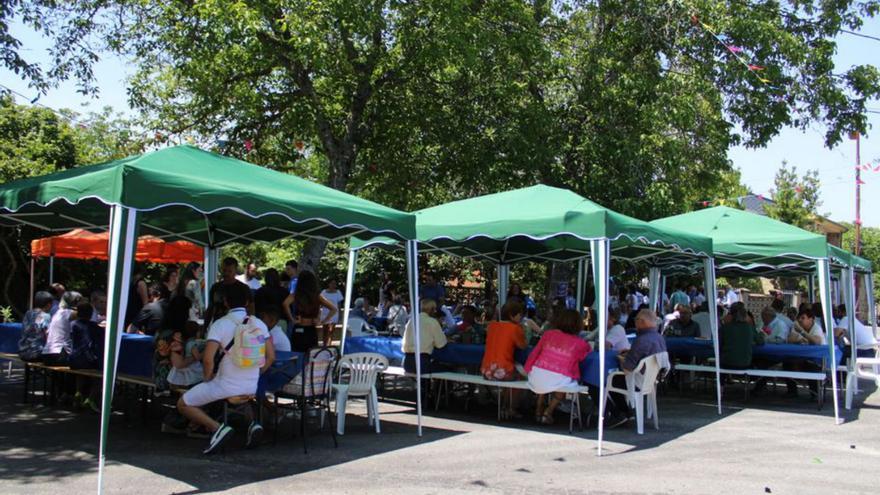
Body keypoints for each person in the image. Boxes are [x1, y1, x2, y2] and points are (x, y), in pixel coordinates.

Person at [177, 282, 275, 454]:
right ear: (246, 302)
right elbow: (271, 356)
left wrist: (208, 377)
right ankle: (252, 425)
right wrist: (257, 374)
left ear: (226, 302)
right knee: (239, 396)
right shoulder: (259, 323)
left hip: (226, 386)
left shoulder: (220, 324)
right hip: (252, 385)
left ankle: (217, 428)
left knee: (184, 403)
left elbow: (208, 360)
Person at [593, 309, 667, 429]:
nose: (634, 322)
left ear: (641, 322)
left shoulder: (641, 340)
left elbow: (627, 369)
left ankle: (618, 414)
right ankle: (626, 412)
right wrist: (630, 353)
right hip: (650, 379)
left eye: (636, 320)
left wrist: (621, 358)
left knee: (603, 379)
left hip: (637, 381)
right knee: (614, 379)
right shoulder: (659, 337)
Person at [526, 309, 591, 424]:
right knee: (564, 381)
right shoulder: (579, 343)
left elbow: (534, 354)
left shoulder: (548, 334)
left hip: (537, 375)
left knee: (546, 378)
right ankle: (548, 412)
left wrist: (527, 369)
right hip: (558, 377)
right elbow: (585, 355)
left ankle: (538, 408)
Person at [481, 300, 528, 419]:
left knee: (512, 375)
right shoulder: (515, 328)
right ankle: (510, 408)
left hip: (486, 371)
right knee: (521, 376)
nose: (521, 317)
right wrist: (523, 330)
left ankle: (504, 406)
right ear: (512, 315)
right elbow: (522, 345)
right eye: (520, 315)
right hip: (503, 371)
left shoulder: (492, 326)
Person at [288, 270, 337, 352]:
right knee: (311, 355)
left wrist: (291, 319)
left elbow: (285, 304)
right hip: (311, 328)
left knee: (297, 354)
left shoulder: (296, 294)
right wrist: (323, 321)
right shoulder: (317, 296)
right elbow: (333, 309)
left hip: (299, 326)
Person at [69, 302, 104, 412]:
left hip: (74, 359)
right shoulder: (93, 326)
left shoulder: (73, 324)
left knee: (80, 373)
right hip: (87, 360)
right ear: (90, 314)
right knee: (100, 376)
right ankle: (91, 399)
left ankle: (78, 393)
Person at [401, 298, 448, 373]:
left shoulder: (412, 320)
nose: (435, 311)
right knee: (449, 368)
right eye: (434, 309)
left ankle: (426, 385)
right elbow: (441, 344)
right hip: (422, 364)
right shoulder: (432, 322)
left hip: (407, 363)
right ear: (432, 309)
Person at [206, 257, 250, 327]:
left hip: (237, 326)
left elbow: (250, 309)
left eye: (229, 271)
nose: (226, 273)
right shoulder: (216, 287)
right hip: (218, 325)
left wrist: (248, 326)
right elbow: (211, 308)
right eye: (224, 270)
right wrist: (205, 327)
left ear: (235, 271)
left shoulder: (243, 288)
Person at [42, 291, 83, 365]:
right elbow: (85, 313)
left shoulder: (58, 313)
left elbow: (47, 332)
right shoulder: (69, 313)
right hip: (59, 354)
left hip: (46, 354)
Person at [719, 302, 764, 369]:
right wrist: (761, 333)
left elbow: (720, 344)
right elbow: (760, 341)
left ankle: (723, 379)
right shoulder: (750, 327)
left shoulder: (725, 328)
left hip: (726, 363)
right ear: (745, 315)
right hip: (744, 364)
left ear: (731, 315)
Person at [167, 321, 206, 387]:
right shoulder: (192, 343)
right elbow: (197, 357)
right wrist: (205, 351)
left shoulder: (186, 342)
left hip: (186, 364)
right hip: (192, 367)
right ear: (196, 333)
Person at [18, 291, 54, 362]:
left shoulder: (28, 313)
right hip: (37, 353)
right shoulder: (46, 316)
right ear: (49, 304)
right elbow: (48, 335)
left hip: (23, 352)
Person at [320, 279, 344, 346]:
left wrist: (340, 314)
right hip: (325, 313)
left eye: (334, 284)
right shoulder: (323, 292)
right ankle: (324, 345)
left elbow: (339, 304)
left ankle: (329, 345)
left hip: (334, 314)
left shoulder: (338, 292)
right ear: (328, 284)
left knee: (331, 331)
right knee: (325, 331)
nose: (333, 285)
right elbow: (320, 302)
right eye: (332, 283)